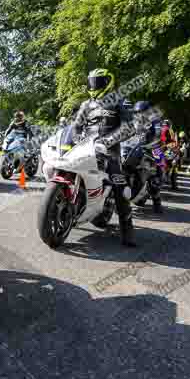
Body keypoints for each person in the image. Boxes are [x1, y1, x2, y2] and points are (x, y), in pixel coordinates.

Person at [69, 68, 138, 247]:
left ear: (108, 82)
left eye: (98, 81)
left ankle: (127, 229)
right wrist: (76, 138)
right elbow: (76, 126)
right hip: (85, 148)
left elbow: (129, 127)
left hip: (109, 152)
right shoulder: (86, 104)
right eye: (92, 81)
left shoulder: (120, 101)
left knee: (120, 186)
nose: (94, 85)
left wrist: (108, 141)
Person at [125, 100, 163, 213]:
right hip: (135, 146)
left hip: (151, 146)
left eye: (141, 111)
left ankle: (157, 201)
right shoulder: (133, 121)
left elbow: (158, 133)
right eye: (136, 112)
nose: (138, 114)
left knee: (155, 172)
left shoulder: (154, 120)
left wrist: (153, 141)